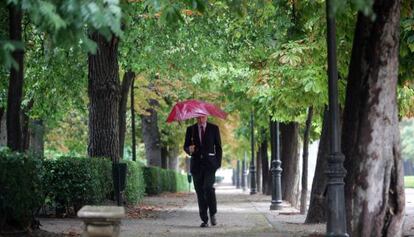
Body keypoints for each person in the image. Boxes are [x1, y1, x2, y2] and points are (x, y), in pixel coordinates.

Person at [183, 115, 222, 227]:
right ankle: (204, 219)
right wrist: (188, 149)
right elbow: (185, 146)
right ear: (196, 117)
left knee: (208, 188)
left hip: (210, 165)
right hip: (196, 166)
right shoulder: (191, 129)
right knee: (200, 191)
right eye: (198, 118)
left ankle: (213, 213)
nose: (200, 120)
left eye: (202, 117)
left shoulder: (214, 128)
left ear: (206, 116)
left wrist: (217, 163)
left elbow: (218, 147)